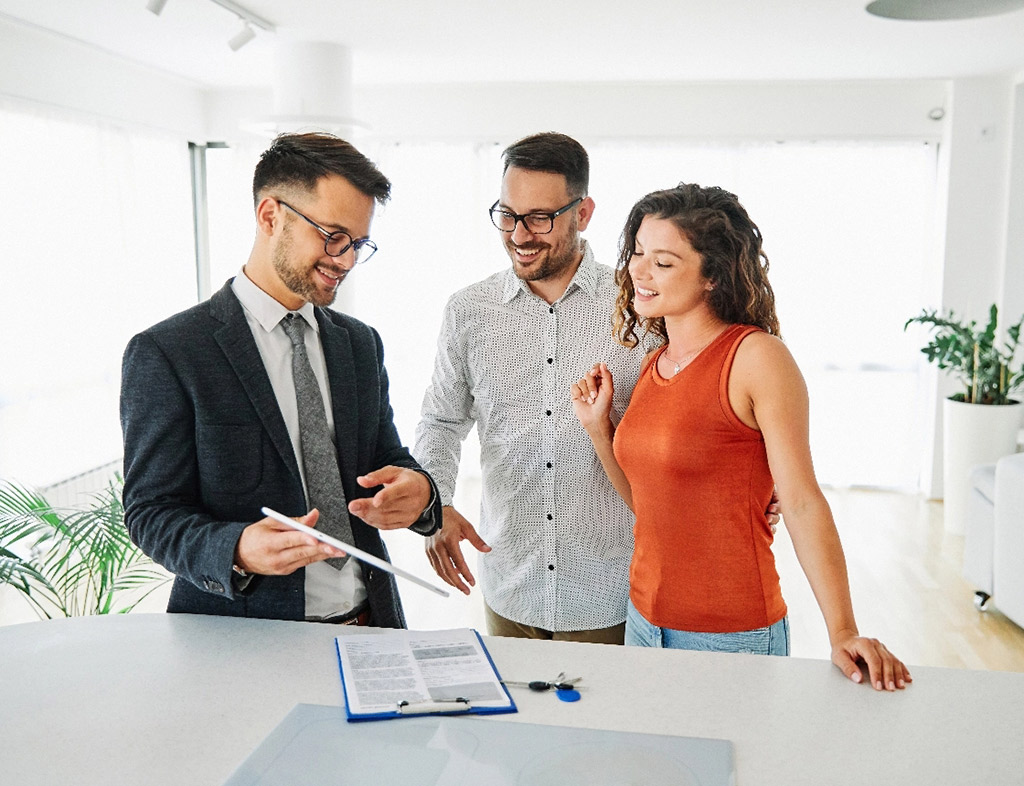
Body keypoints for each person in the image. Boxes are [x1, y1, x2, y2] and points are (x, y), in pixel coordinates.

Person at [413, 133, 777, 644]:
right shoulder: (468, 311)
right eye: (507, 215)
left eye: (540, 217)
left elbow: (718, 388)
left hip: (611, 591)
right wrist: (437, 504)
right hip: (509, 586)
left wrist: (762, 479)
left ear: (583, 213)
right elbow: (441, 420)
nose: (520, 234)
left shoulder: (644, 302)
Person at [571, 183, 912, 691]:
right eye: (637, 253)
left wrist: (842, 630)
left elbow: (800, 501)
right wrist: (601, 431)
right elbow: (651, 506)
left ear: (712, 275)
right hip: (643, 621)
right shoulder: (652, 365)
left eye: (662, 262)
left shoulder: (757, 358)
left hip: (732, 635)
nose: (637, 271)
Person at [120, 132, 441, 627]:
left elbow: (384, 458)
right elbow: (151, 512)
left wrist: (419, 490)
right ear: (271, 216)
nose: (347, 260)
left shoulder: (359, 344)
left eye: (359, 244)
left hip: (371, 626)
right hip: (245, 640)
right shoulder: (169, 352)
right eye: (333, 236)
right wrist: (238, 548)